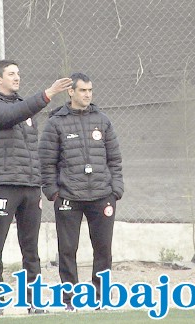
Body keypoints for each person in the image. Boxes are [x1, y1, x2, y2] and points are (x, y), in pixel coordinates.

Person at [0, 59, 72, 315]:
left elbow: (33, 147)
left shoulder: (24, 109)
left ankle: (33, 301)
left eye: (18, 73)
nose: (17, 78)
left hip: (30, 186)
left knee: (31, 248)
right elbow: (11, 116)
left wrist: (39, 180)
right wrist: (48, 94)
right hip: (4, 184)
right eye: (11, 74)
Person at [39, 72, 124, 311]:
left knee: (103, 249)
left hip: (101, 195)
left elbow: (115, 159)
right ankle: (70, 299)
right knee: (67, 250)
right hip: (68, 197)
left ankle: (101, 297)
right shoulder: (56, 122)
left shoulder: (102, 120)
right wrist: (54, 192)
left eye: (90, 91)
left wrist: (115, 190)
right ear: (71, 92)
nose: (87, 95)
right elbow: (46, 162)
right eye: (83, 91)